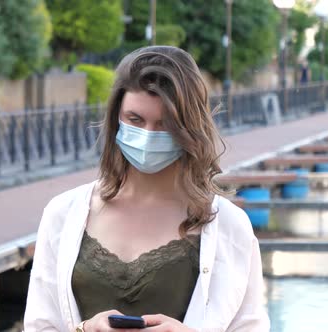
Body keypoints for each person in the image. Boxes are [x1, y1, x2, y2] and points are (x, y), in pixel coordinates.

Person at [23, 46, 270, 332]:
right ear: (117, 118)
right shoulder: (62, 214)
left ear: (188, 128)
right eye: (135, 120)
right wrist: (85, 329)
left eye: (165, 124)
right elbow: (40, 326)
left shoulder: (230, 226)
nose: (148, 136)